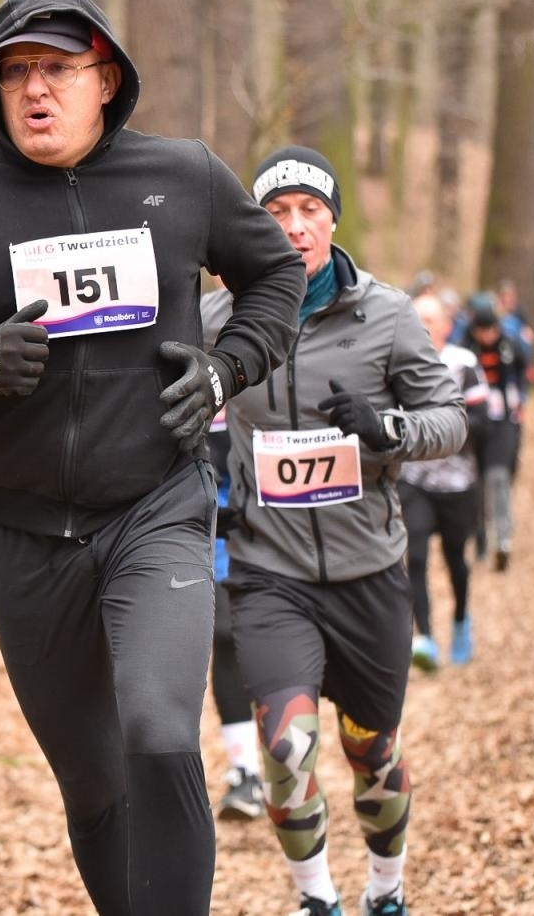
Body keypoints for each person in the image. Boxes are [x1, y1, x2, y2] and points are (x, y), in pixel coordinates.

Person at [0, 0, 306, 915]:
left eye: (57, 68)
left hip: (157, 509)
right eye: (15, 72)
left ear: (106, 80)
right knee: (95, 785)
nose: (35, 90)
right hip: (22, 540)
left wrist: (225, 372)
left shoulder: (184, 177)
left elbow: (276, 274)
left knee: (161, 728)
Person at [203, 146, 466, 916]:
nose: (294, 228)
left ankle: (387, 892)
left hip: (370, 574)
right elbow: (179, 415)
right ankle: (317, 901)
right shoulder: (224, 317)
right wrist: (205, 496)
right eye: (276, 214)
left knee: (371, 752)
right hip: (269, 573)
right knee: (286, 750)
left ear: (331, 222)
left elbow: (448, 421)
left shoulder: (385, 315)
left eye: (309, 212)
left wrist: (388, 428)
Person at [398, 294, 489, 671]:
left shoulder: (464, 364)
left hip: (457, 483)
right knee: (415, 557)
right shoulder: (398, 361)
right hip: (414, 478)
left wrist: (446, 431)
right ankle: (426, 640)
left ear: (447, 326)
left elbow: (484, 422)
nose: (424, 325)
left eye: (431, 319)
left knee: (456, 560)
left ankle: (461, 621)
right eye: (417, 317)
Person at [207, 411, 265, 820]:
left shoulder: (271, 356)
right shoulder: (172, 355)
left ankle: (289, 760)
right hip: (213, 527)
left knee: (276, 645)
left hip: (280, 527)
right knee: (226, 638)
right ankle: (245, 770)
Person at [463, 294, 529, 572]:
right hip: (475, 421)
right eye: (483, 331)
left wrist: (519, 400)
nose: (488, 336)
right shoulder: (466, 349)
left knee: (499, 478)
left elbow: (524, 370)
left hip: (505, 421)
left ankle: (503, 539)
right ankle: (479, 536)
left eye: (492, 330)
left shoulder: (510, 345)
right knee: (476, 482)